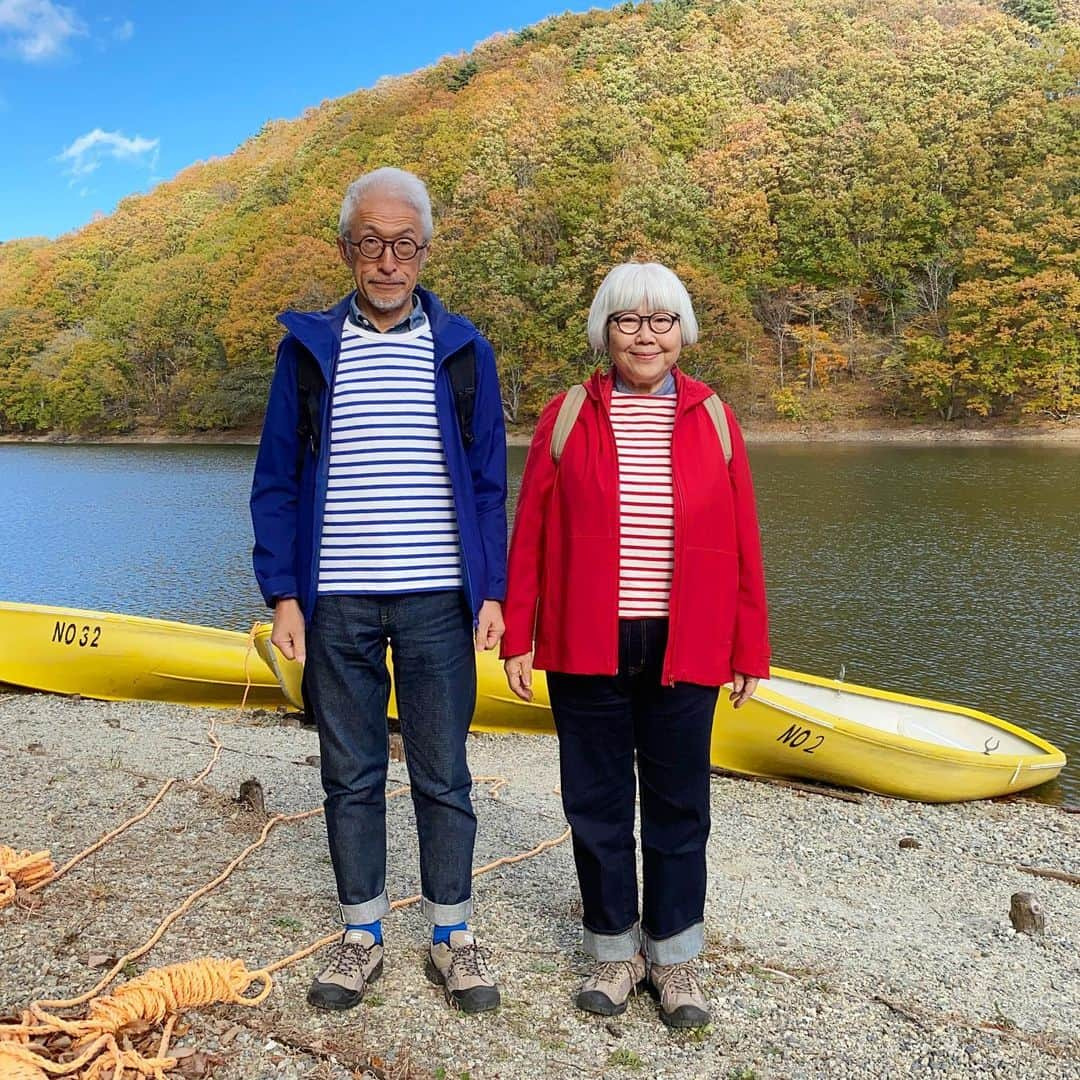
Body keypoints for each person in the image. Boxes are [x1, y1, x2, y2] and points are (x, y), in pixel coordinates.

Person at [251, 167, 507, 1014]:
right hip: (338, 605)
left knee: (444, 774)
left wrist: (492, 591)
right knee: (350, 774)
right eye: (371, 243)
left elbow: (486, 485)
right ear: (347, 251)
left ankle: (452, 937)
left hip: (439, 598)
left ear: (426, 251)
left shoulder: (465, 352)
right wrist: (283, 595)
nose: (388, 260)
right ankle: (361, 935)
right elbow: (278, 481)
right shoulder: (308, 352)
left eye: (404, 244)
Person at [500, 262, 769, 1028]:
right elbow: (533, 538)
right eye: (627, 321)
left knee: (681, 804)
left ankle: (676, 960)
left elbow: (745, 540)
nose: (644, 336)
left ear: (681, 331)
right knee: (597, 803)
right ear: (605, 331)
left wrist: (749, 647)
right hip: (588, 641)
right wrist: (520, 635)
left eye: (660, 321)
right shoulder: (566, 415)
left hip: (688, 643)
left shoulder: (713, 416)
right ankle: (614, 951)